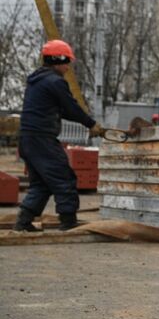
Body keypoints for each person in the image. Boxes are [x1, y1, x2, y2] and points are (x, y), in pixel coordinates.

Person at [12, 39, 103, 233]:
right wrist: (91, 124)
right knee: (64, 178)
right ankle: (68, 221)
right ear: (57, 59)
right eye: (67, 62)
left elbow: (63, 110)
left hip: (28, 140)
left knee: (42, 183)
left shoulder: (37, 81)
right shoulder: (55, 81)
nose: (69, 67)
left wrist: (87, 122)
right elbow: (71, 107)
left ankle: (23, 221)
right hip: (42, 139)